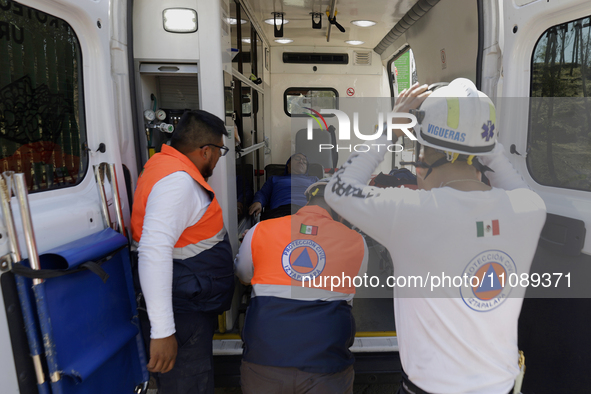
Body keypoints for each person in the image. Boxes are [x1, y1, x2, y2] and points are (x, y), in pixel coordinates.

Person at [325, 79, 547, 394]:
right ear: (485, 151)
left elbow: (337, 189)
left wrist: (390, 127)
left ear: (425, 151)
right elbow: (505, 173)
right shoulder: (528, 209)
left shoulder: (411, 212)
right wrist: (480, 135)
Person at [130, 110, 234, 394]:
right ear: (205, 151)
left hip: (187, 302)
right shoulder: (178, 184)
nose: (216, 159)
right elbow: (154, 251)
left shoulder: (162, 166)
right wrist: (163, 331)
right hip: (183, 313)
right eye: (219, 151)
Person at [235, 180, 369, 394]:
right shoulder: (357, 242)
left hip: (264, 361)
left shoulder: (259, 230)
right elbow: (353, 285)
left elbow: (243, 275)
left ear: (306, 202)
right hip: (326, 366)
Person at [248, 153, 318, 220]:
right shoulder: (274, 179)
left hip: (308, 212)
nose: (301, 161)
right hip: (281, 211)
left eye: (305, 162)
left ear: (306, 169)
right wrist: (258, 202)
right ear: (288, 164)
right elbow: (263, 193)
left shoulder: (314, 179)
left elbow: (324, 194)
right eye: (297, 158)